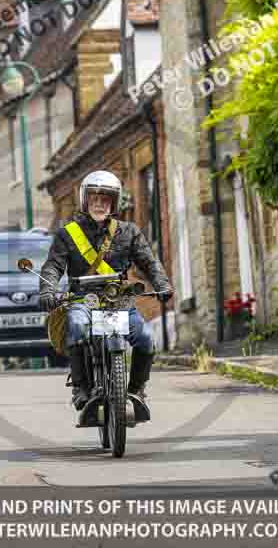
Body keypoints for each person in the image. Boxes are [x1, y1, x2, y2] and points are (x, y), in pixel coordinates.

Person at [39, 170, 173, 410]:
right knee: (78, 327)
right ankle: (80, 387)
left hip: (118, 302)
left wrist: (162, 284)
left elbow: (149, 263)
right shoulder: (67, 234)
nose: (99, 204)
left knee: (145, 337)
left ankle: (136, 389)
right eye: (94, 198)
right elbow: (53, 267)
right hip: (82, 300)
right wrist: (47, 290)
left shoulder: (129, 232)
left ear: (114, 202)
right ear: (85, 200)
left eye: (105, 199)